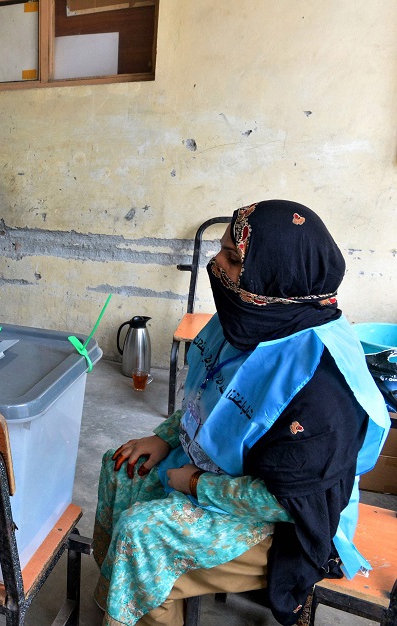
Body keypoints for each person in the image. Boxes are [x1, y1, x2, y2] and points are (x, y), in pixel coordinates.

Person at [93, 200, 389, 626]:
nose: (216, 264)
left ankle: (142, 600)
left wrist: (197, 484)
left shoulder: (321, 386)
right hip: (230, 471)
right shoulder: (251, 320)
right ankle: (122, 598)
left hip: (287, 522)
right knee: (121, 467)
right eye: (222, 250)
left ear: (274, 278)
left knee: (145, 533)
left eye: (232, 259)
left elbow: (291, 503)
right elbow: (216, 402)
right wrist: (167, 436)